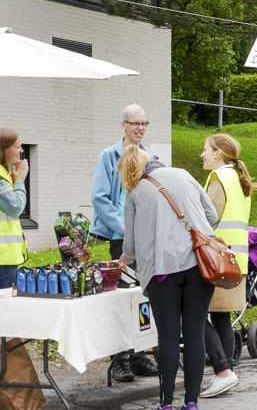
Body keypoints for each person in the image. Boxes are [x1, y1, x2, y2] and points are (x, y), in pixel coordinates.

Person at [119, 145, 218, 410]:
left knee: (168, 337)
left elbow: (129, 248)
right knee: (195, 333)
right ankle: (191, 402)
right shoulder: (183, 174)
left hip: (161, 272)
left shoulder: (135, 193)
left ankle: (165, 404)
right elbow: (212, 216)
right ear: (152, 161)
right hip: (199, 265)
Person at [89, 104, 158, 382]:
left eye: (144, 123)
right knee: (122, 296)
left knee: (143, 296)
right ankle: (120, 359)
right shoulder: (108, 156)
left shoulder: (151, 156)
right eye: (135, 123)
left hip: (147, 238)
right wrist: (126, 232)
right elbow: (100, 198)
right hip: (122, 240)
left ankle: (140, 353)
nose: (140, 128)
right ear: (123, 125)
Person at [198, 134, 252, 398]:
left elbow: (208, 217)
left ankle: (223, 372)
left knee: (197, 315)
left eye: (206, 149)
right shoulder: (239, 178)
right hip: (235, 258)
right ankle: (226, 372)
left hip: (215, 258)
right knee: (222, 317)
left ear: (218, 153)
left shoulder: (219, 177)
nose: (202, 154)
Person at [0, 128, 28, 288]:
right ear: (4, 149)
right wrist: (20, 181)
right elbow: (15, 207)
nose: (22, 150)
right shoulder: (1, 179)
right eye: (17, 147)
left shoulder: (4, 175)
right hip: (3, 260)